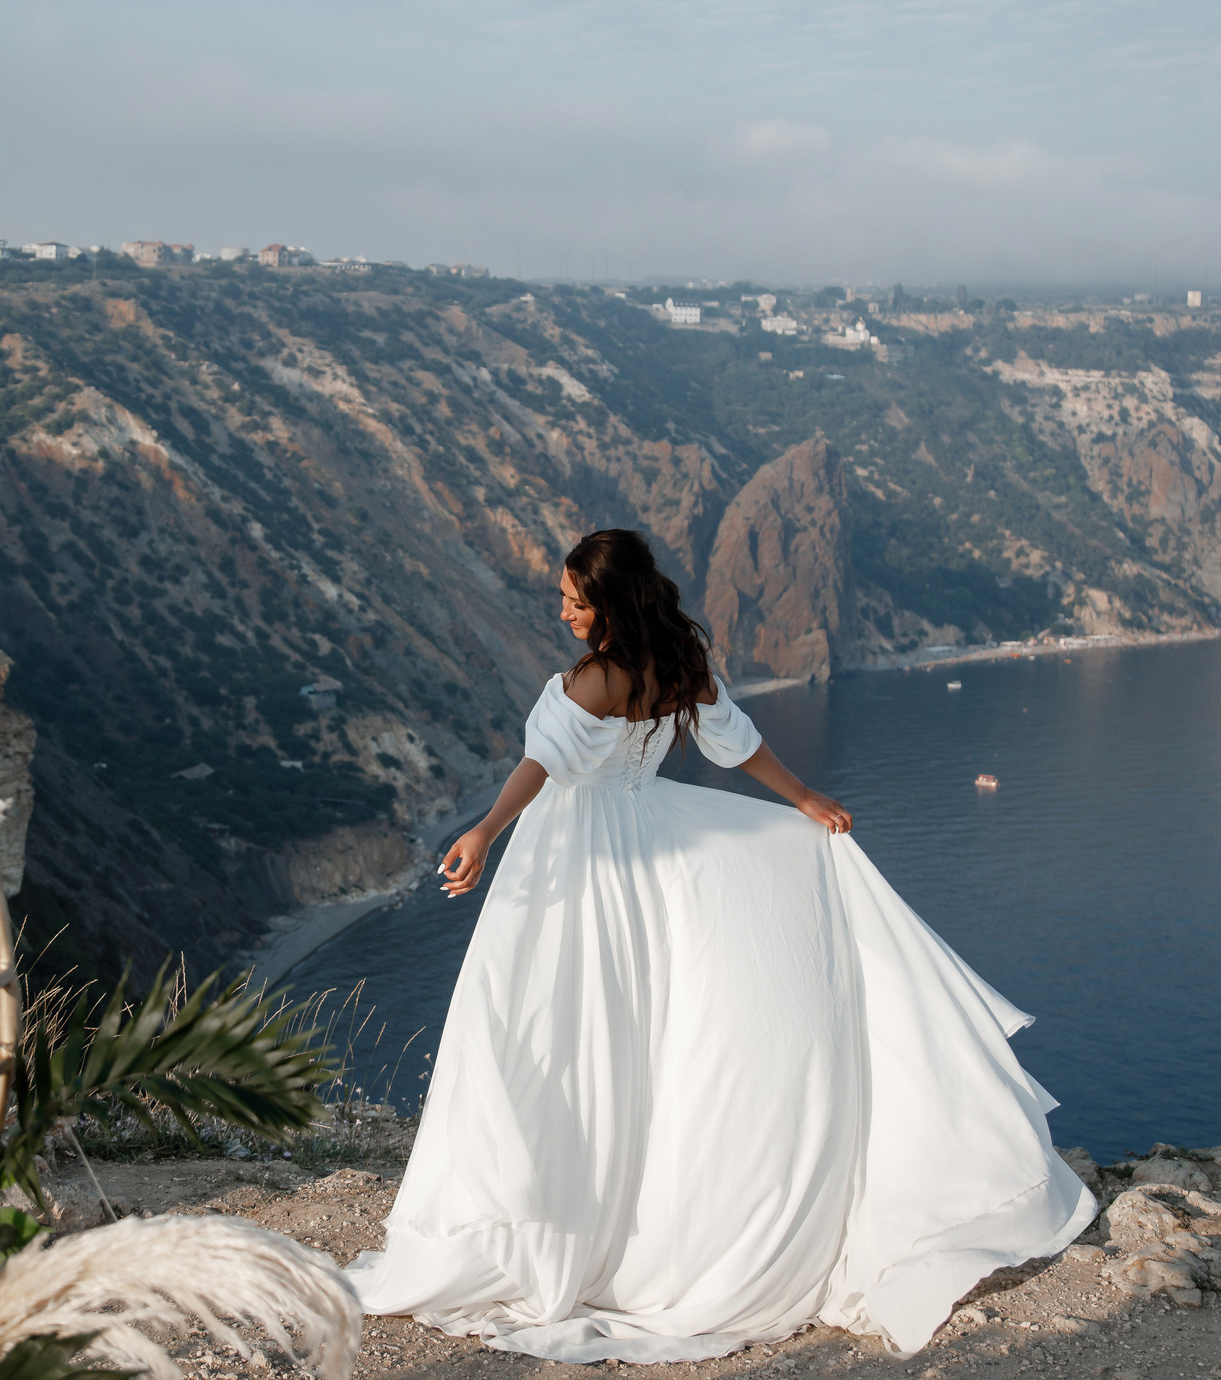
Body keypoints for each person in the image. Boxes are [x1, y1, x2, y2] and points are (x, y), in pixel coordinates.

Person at [343, 528, 1094, 1362]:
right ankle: (616, 1218)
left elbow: (542, 764)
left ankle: (543, 1218)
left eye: (575, 601)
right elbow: (738, 743)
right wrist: (803, 798)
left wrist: (484, 830)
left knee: (543, 1027)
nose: (562, 612)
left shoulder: (594, 676)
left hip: (579, 854)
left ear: (611, 602)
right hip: (649, 846)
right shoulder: (677, 663)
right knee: (637, 1034)